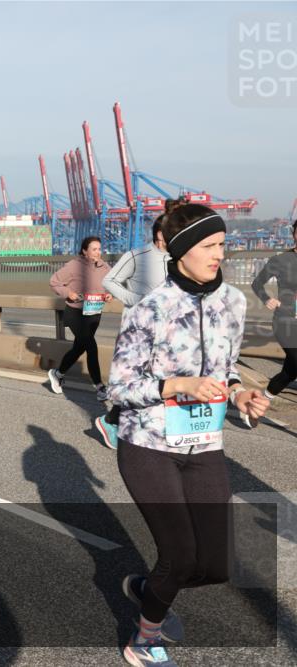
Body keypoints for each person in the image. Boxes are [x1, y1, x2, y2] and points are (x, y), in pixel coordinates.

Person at [108, 204, 269, 667]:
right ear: (180, 251)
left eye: (222, 244)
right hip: (148, 445)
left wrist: (238, 394)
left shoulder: (233, 302)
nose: (220, 254)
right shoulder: (149, 309)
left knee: (215, 566)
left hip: (205, 445)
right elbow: (118, 389)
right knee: (179, 555)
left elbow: (227, 369)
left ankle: (150, 588)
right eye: (209, 246)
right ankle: (144, 640)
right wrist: (177, 385)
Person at [94, 218, 170, 448]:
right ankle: (111, 420)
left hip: (166, 330)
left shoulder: (178, 258)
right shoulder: (138, 256)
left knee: (155, 379)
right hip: (138, 330)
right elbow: (109, 280)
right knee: (138, 379)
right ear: (159, 234)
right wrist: (134, 299)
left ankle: (134, 424)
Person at [46, 236, 112, 400]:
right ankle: (99, 387)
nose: (98, 252)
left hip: (94, 313)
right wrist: (68, 293)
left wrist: (109, 294)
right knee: (91, 347)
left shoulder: (104, 267)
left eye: (99, 249)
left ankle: (57, 374)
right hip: (75, 313)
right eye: (94, 249)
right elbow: (54, 281)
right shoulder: (74, 266)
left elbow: (111, 285)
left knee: (79, 348)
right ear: (84, 251)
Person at [251, 219, 297, 407]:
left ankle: (258, 403)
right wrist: (267, 299)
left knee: (289, 373)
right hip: (286, 323)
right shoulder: (281, 260)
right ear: (294, 234)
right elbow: (257, 283)